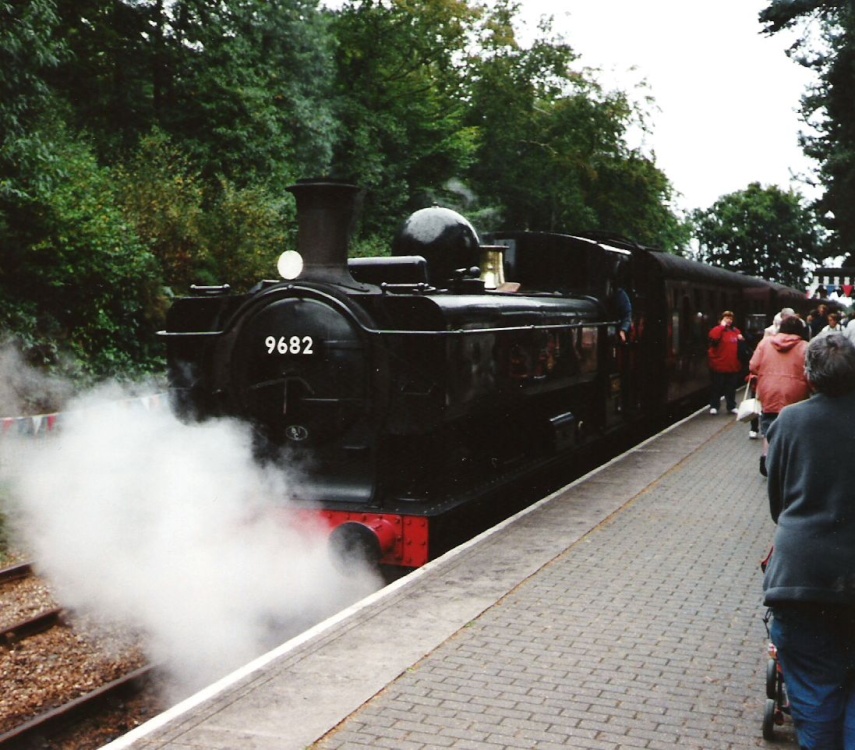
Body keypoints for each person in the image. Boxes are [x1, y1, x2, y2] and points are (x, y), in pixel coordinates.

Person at [763, 334, 855, 749]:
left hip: (801, 578)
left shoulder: (790, 421)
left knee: (816, 700)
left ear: (808, 375)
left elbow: (778, 503)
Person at [748, 316, 811, 476]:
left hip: (769, 392)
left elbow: (753, 365)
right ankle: (788, 464)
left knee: (769, 426)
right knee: (792, 429)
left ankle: (766, 458)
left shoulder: (765, 343)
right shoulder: (805, 347)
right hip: (795, 396)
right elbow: (811, 372)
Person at [707, 310, 744, 415]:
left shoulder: (735, 331)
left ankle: (731, 406)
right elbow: (714, 338)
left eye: (730, 318)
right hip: (719, 365)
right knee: (717, 387)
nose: (729, 320)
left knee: (731, 388)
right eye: (726, 318)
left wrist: (741, 339)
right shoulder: (716, 330)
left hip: (732, 365)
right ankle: (714, 406)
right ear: (721, 319)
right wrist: (721, 327)